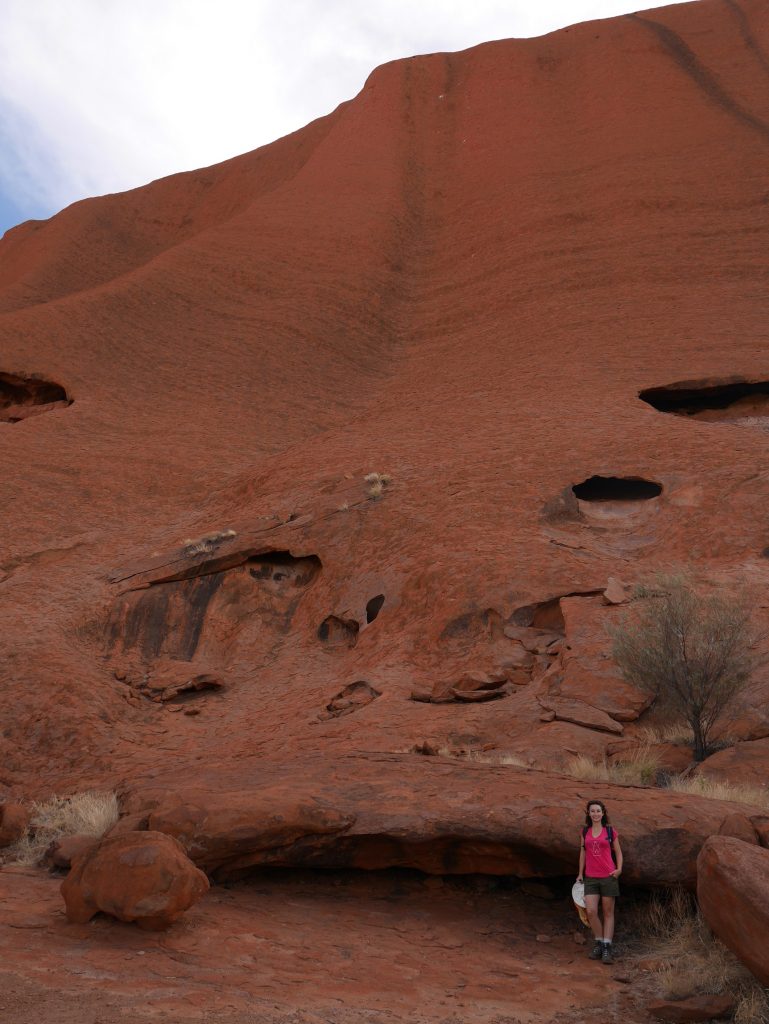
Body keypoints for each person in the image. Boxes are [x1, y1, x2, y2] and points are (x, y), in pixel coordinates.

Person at [576, 799, 623, 964]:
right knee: (591, 912)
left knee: (608, 912)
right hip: (590, 877)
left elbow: (618, 852)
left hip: (608, 876)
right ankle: (599, 941)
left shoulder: (610, 831)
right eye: (592, 811)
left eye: (598, 811)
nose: (595, 814)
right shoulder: (585, 832)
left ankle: (606, 947)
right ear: (588, 814)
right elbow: (583, 852)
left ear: (603, 813)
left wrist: (619, 869)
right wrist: (580, 873)